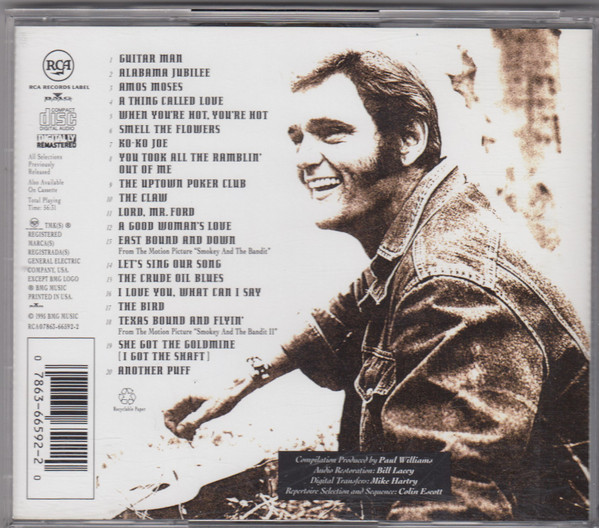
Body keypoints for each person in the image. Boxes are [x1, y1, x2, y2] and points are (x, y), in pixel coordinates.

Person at [164, 51, 589, 521]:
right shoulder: (441, 217)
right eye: (298, 138)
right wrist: (249, 377)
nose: (305, 158)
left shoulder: (449, 282)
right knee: (270, 480)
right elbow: (359, 298)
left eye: (333, 133)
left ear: (409, 140)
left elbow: (446, 502)